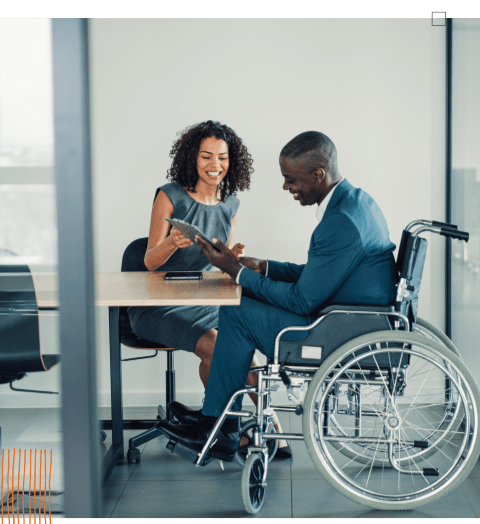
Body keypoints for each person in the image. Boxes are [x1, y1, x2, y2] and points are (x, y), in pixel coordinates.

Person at [159, 130, 398, 462]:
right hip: (347, 314)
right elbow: (324, 274)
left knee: (237, 312)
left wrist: (237, 272)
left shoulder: (340, 222)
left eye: (291, 179)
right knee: (241, 304)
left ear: (318, 174)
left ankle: (218, 426)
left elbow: (303, 300)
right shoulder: (357, 202)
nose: (287, 187)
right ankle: (219, 424)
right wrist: (265, 267)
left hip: (338, 330)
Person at [129, 120, 290, 456]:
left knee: (251, 356)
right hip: (158, 305)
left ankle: (269, 429)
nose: (215, 165)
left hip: (203, 298)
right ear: (193, 158)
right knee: (218, 348)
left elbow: (214, 263)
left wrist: (230, 259)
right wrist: (172, 242)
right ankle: (223, 430)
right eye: (206, 156)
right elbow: (149, 262)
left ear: (233, 162)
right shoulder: (169, 195)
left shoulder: (230, 203)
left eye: (222, 157)